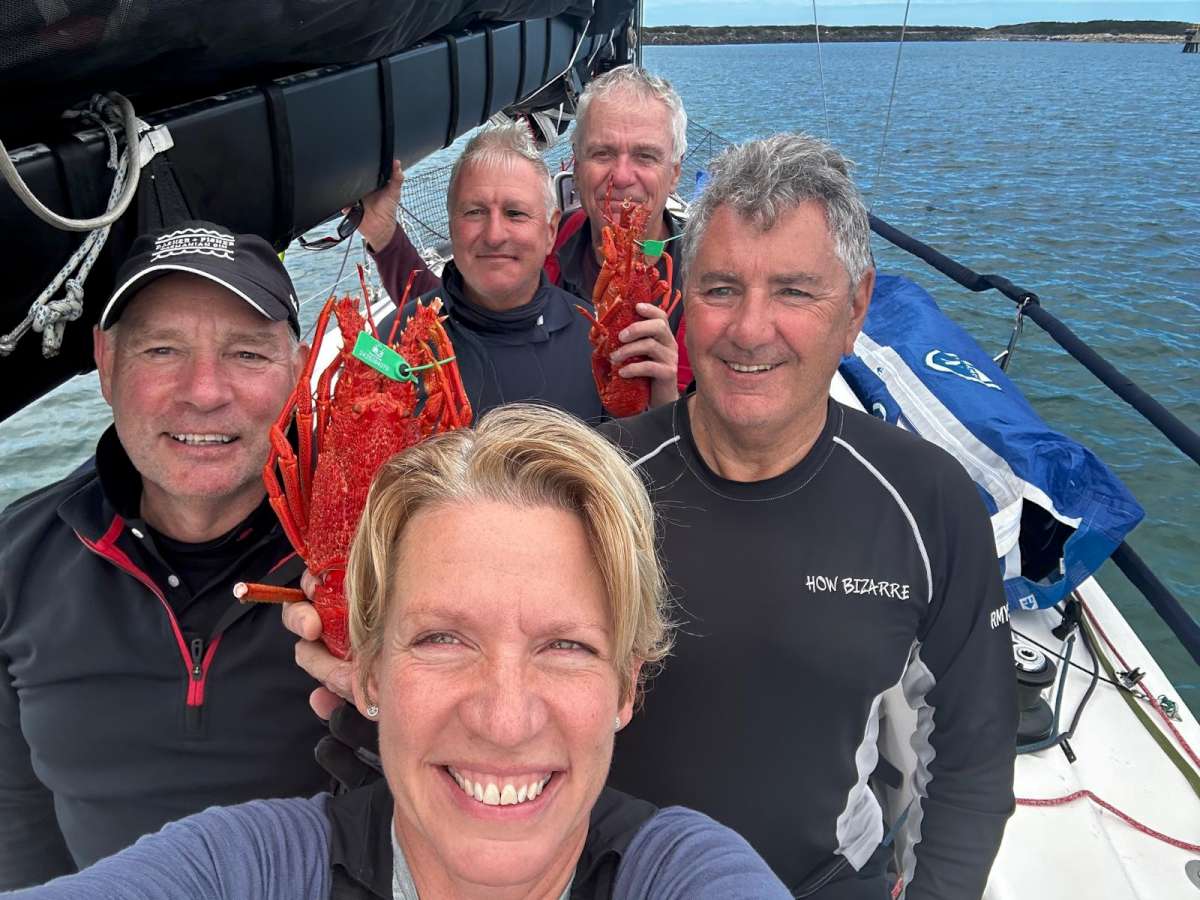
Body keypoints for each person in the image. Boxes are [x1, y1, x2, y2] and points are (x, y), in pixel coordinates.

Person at [286, 134, 1019, 900]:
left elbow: (972, 746)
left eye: (795, 292)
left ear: (856, 306)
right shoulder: (591, 485)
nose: (749, 329)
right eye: (721, 288)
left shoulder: (928, 501)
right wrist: (366, 671)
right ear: (680, 296)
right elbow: (475, 670)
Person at [6, 405, 792, 900]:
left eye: (565, 645)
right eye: (442, 639)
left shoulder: (686, 873)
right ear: (367, 673)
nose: (504, 718)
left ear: (627, 686)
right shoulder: (245, 867)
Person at [0, 222, 329, 889]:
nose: (204, 391)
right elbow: (16, 816)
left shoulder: (383, 551)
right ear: (105, 363)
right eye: (161, 350)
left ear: (297, 373)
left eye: (247, 354)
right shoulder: (14, 564)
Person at [362, 65, 695, 391]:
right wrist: (385, 236)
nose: (621, 177)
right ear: (576, 167)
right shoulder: (545, 236)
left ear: (675, 172)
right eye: (602, 153)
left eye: (645, 156)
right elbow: (460, 311)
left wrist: (665, 398)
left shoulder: (702, 279)